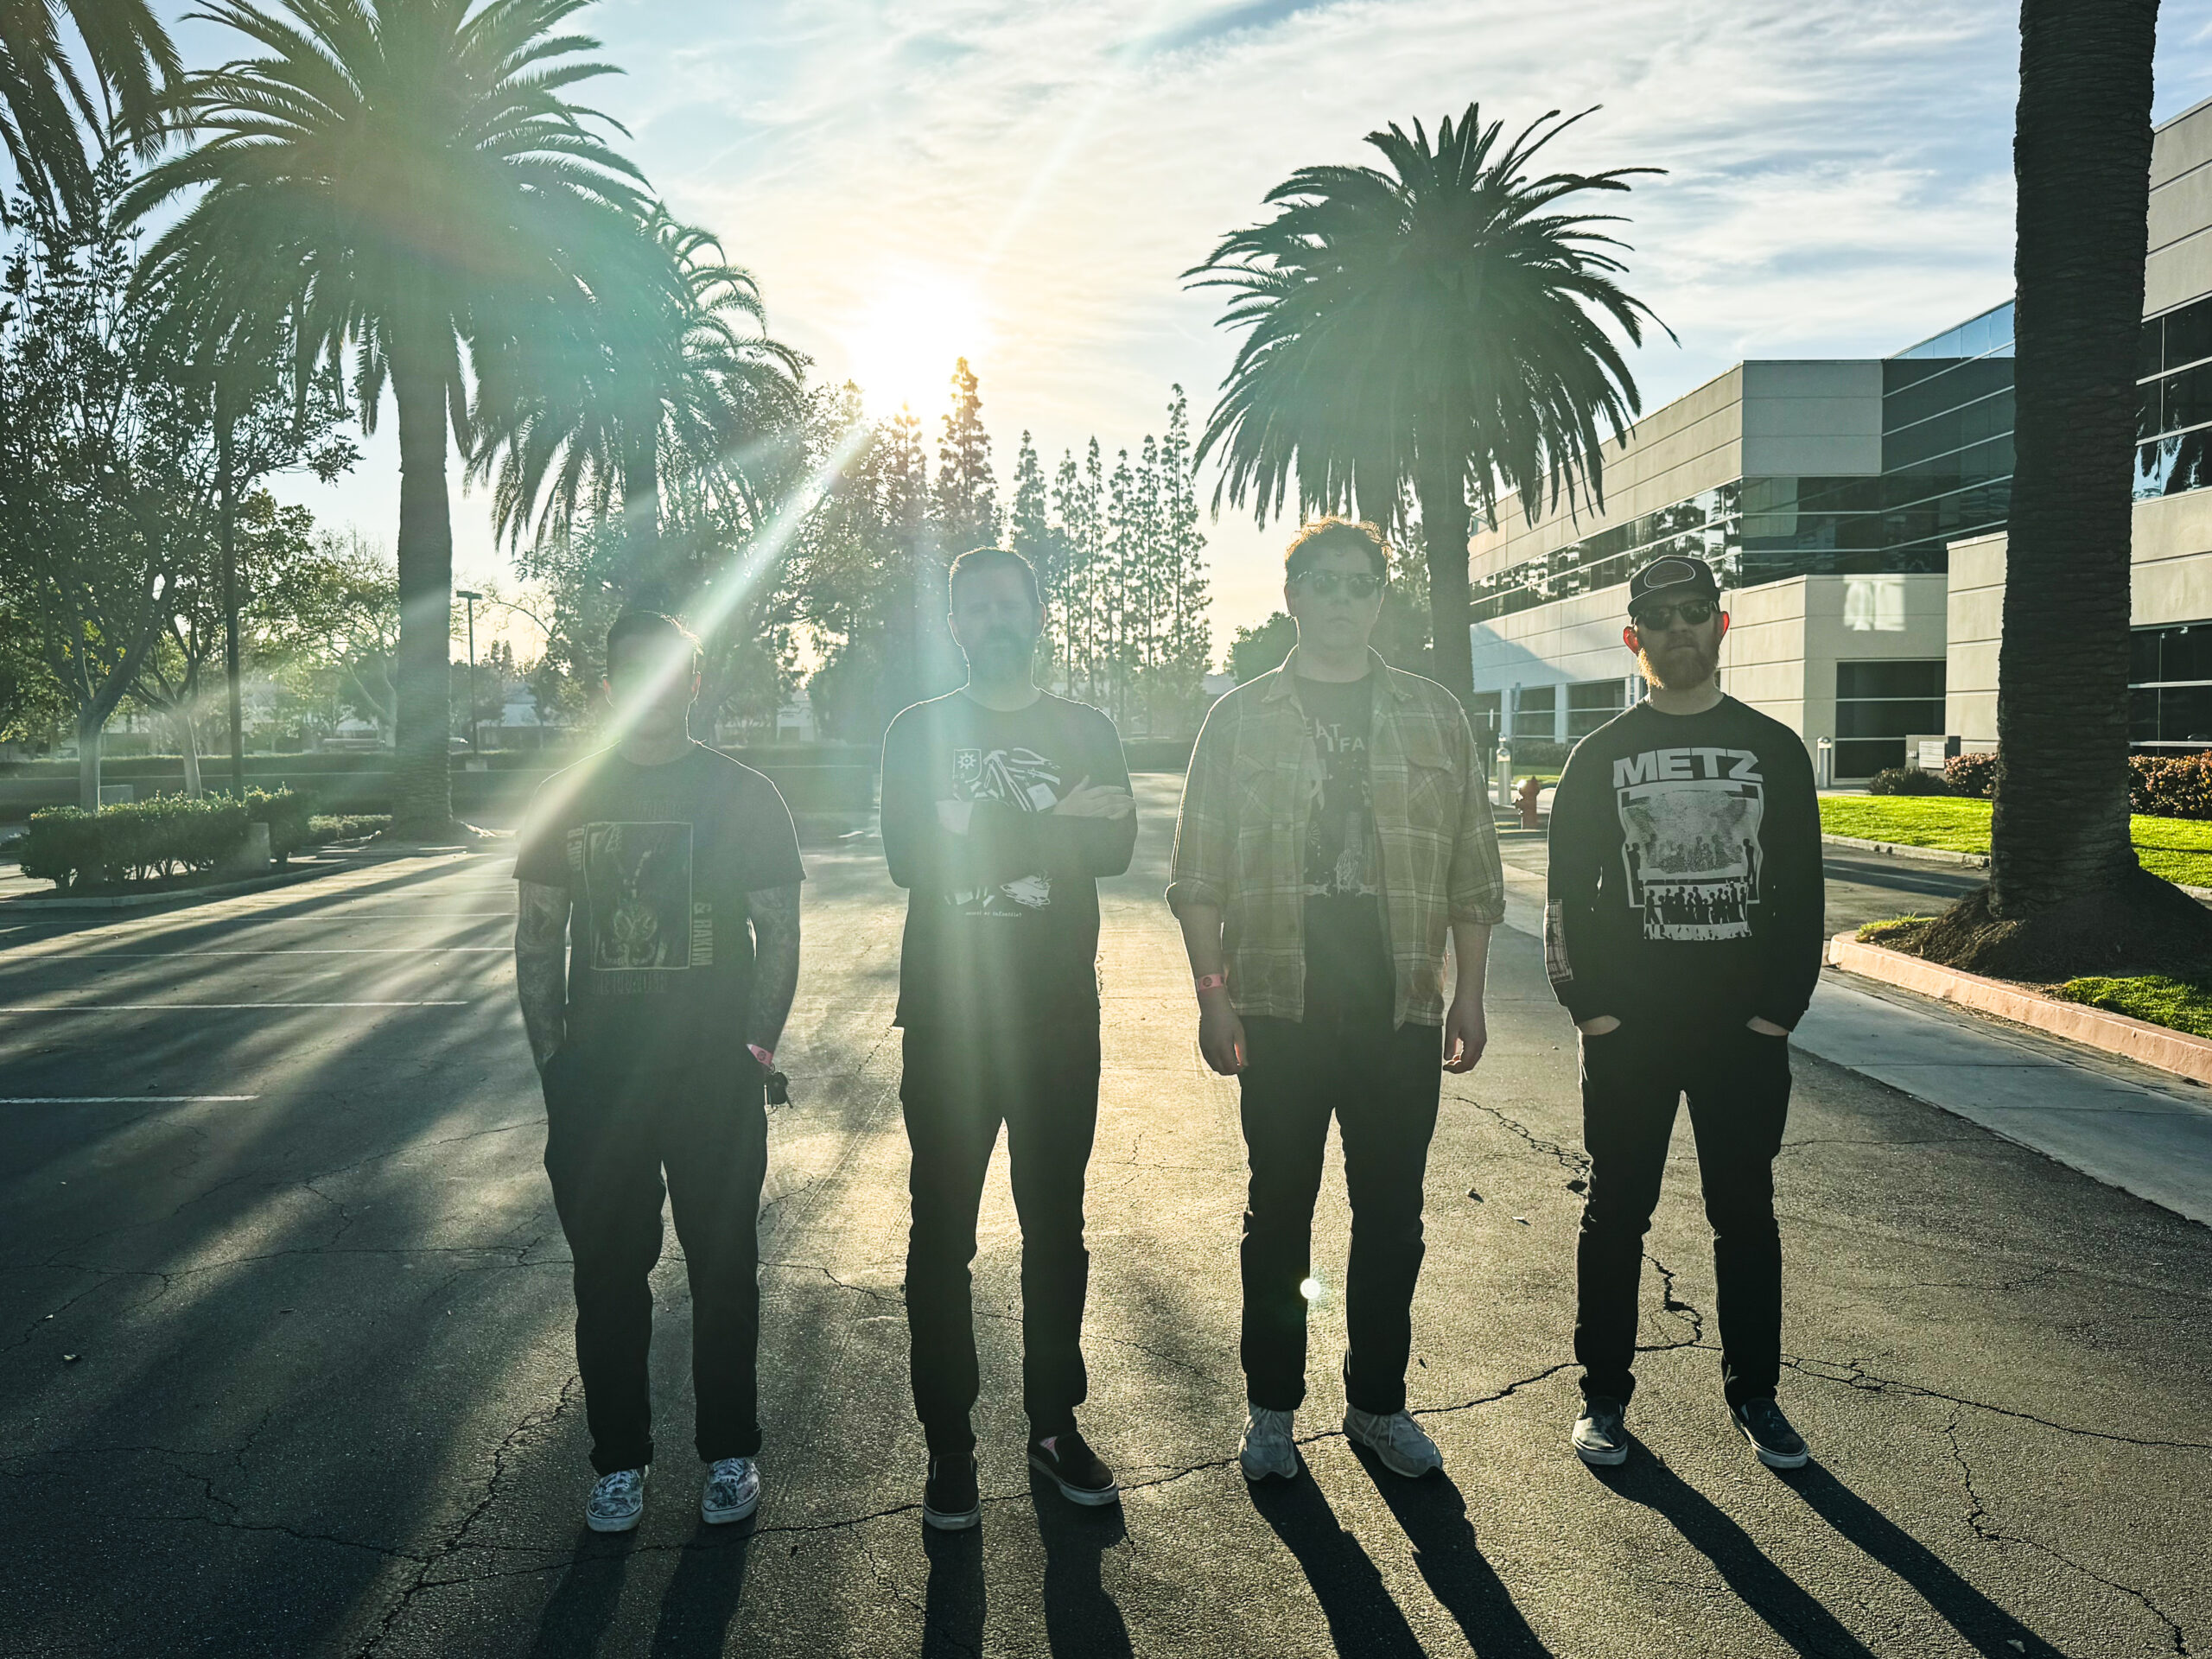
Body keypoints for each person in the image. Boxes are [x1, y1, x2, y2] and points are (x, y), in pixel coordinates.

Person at [1167, 518, 1504, 1484]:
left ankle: (1378, 1404)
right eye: (1323, 581)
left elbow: (1472, 870)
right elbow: (1198, 876)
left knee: (1392, 1217)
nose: (1343, 599)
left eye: (1361, 583)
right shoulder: (1238, 720)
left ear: (1380, 598)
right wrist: (1213, 997)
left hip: (1399, 1005)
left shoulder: (1434, 715)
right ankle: (1272, 1410)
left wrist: (1470, 995)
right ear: (1292, 597)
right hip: (1278, 1005)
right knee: (1278, 1214)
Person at [513, 609, 804, 1533]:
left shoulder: (744, 794)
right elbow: (537, 936)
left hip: (714, 1078)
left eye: (670, 669)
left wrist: (756, 1049)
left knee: (725, 1270)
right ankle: (618, 1463)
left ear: (694, 682)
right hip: (599, 1083)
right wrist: (556, 1067)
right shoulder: (566, 795)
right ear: (610, 686)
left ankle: (730, 1451)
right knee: (607, 1278)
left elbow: (779, 929)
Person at [1544, 553, 1824, 1471]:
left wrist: (1778, 1012)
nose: (1678, 629)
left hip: (1742, 1034)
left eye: (1694, 611)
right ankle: (1603, 1397)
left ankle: (1756, 1395)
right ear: (1634, 638)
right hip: (1630, 1033)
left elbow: (1801, 893)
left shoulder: (1773, 750)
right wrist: (1589, 1008)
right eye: (1659, 617)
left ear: (1720, 624)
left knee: (1744, 1214)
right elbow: (1565, 896)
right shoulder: (1599, 756)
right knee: (1616, 1212)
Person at [880, 546, 1138, 1530]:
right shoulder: (917, 731)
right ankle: (948, 1446)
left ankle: (1052, 1426)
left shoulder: (1085, 728)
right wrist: (1054, 819)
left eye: (1008, 604)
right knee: (941, 1234)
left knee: (1055, 1230)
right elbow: (909, 855)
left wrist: (973, 828)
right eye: (975, 607)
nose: (994, 620)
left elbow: (1116, 847)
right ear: (955, 625)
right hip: (947, 1021)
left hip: (1057, 1021)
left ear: (1036, 614)